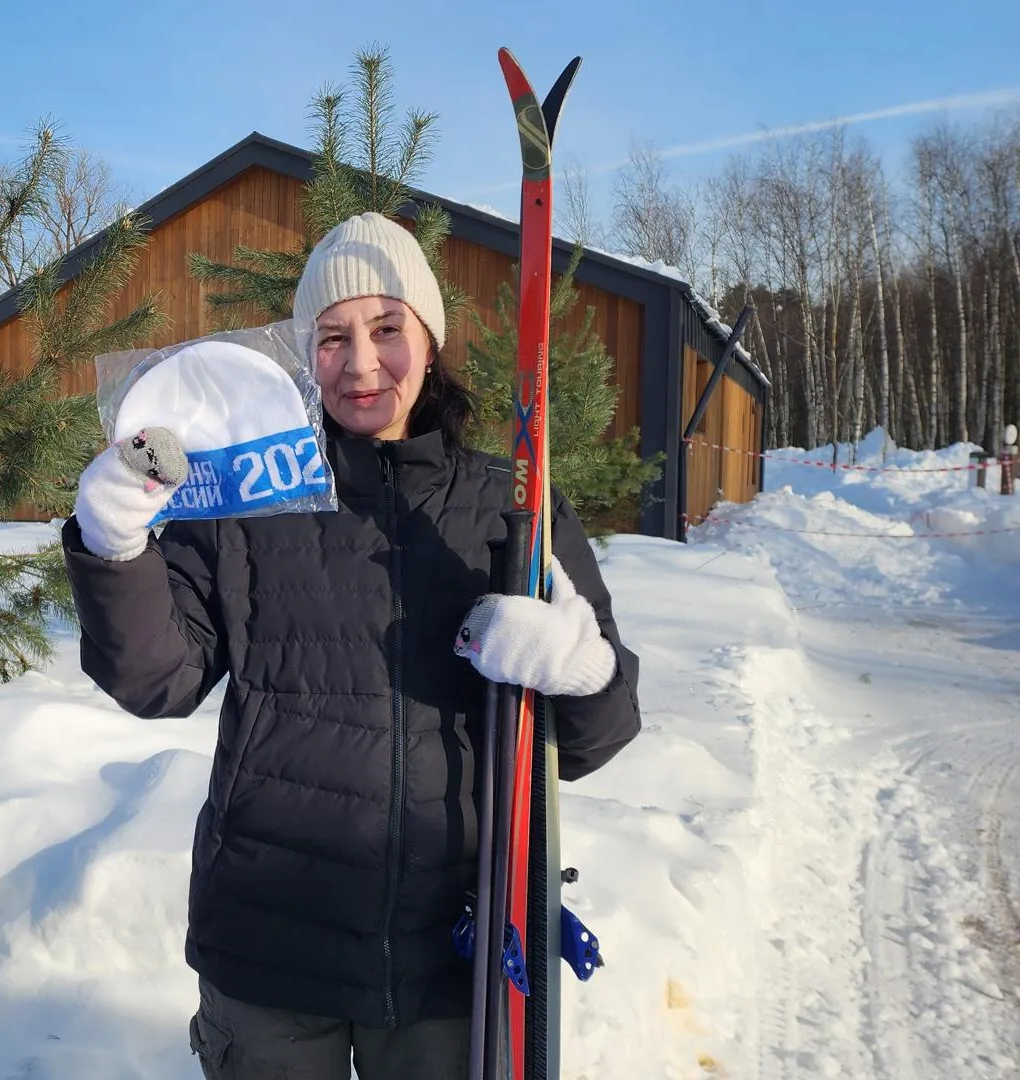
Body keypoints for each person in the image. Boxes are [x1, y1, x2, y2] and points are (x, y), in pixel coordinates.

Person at [63, 211, 642, 1079]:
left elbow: (596, 736)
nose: (361, 363)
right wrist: (114, 548)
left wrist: (582, 670)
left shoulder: (510, 505)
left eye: (386, 329)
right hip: (270, 947)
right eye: (331, 338)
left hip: (455, 958)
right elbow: (160, 680)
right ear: (304, 354)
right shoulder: (254, 500)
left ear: (431, 339)